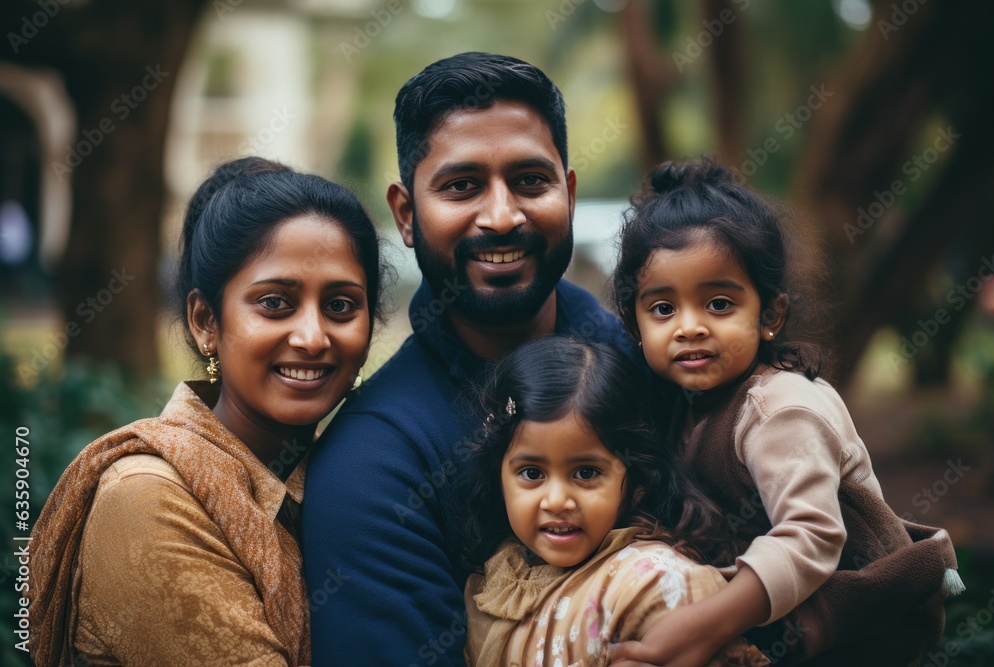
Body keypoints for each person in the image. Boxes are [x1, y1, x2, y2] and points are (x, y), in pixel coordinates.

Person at [303, 52, 639, 666]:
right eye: (462, 187)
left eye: (530, 182)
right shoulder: (375, 466)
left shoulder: (652, 362)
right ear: (406, 214)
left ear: (567, 192)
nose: (502, 216)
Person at [28, 156, 386, 667]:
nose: (313, 337)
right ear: (204, 321)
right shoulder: (149, 498)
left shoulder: (334, 476)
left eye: (341, 305)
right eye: (275, 303)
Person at [608, 157, 964, 666]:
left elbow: (811, 537)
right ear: (635, 321)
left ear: (770, 314)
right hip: (774, 614)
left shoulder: (780, 407)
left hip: (859, 623)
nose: (689, 327)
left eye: (719, 304)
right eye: (663, 308)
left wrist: (704, 625)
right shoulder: (680, 406)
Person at [461, 335, 768, 666]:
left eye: (587, 473)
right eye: (532, 474)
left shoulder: (656, 584)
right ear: (499, 476)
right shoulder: (490, 581)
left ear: (638, 481)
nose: (557, 501)